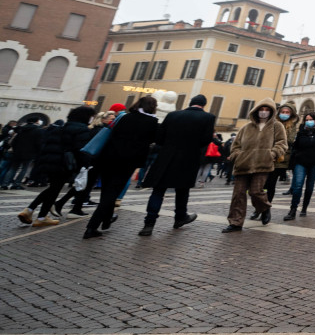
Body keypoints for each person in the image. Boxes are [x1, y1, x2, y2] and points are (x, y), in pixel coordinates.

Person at [138, 94, 216, 236]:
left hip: (166, 156)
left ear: (190, 102)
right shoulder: (208, 117)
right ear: (204, 105)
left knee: (158, 191)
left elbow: (160, 138)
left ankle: (149, 223)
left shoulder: (173, 115)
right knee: (182, 190)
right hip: (189, 157)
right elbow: (206, 139)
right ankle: (180, 217)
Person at [83, 96, 160, 239]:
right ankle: (91, 227)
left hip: (108, 157)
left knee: (107, 191)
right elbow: (155, 140)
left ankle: (106, 220)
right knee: (112, 193)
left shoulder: (125, 117)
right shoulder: (152, 122)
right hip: (128, 162)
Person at [19, 107, 93, 226]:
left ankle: (37, 214)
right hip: (65, 164)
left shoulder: (61, 127)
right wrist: (84, 164)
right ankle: (34, 213)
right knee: (54, 190)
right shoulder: (82, 129)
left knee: (53, 189)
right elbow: (81, 150)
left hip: (51, 161)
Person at [221, 99, 287, 233]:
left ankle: (264, 208)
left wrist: (272, 154)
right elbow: (236, 145)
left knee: (256, 191)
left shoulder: (277, 126)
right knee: (238, 194)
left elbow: (282, 143)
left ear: (272, 111)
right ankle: (235, 222)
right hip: (243, 165)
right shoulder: (246, 127)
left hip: (263, 163)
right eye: (261, 109)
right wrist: (237, 155)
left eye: (267, 109)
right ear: (256, 111)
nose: (264, 112)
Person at [285, 111, 315, 220]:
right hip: (301, 161)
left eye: (311, 119)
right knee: (298, 185)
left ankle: (304, 208)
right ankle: (293, 209)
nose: (308, 122)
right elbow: (296, 146)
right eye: (307, 120)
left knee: (309, 186)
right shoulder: (301, 131)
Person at [258, 104, 298, 219]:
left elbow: (289, 141)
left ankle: (266, 209)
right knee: (260, 185)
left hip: (281, 159)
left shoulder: (293, 126)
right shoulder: (271, 123)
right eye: (283, 111)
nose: (284, 114)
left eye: (287, 112)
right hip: (266, 156)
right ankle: (259, 207)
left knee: (271, 185)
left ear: (291, 114)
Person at [1, 114, 46, 189]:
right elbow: (38, 143)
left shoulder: (21, 129)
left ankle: (4, 184)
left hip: (17, 152)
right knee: (24, 169)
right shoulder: (38, 130)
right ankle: (16, 184)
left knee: (13, 168)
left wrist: (16, 149)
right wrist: (38, 152)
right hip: (29, 153)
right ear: (37, 121)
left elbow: (14, 141)